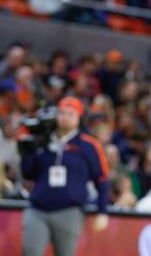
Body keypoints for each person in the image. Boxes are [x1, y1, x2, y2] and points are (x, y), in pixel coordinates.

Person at [21, 96, 110, 256]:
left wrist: (102, 211)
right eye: (62, 113)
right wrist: (27, 152)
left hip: (69, 211)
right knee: (30, 251)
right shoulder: (43, 141)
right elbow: (28, 174)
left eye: (70, 114)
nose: (65, 117)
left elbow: (102, 179)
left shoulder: (88, 146)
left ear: (78, 118)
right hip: (38, 208)